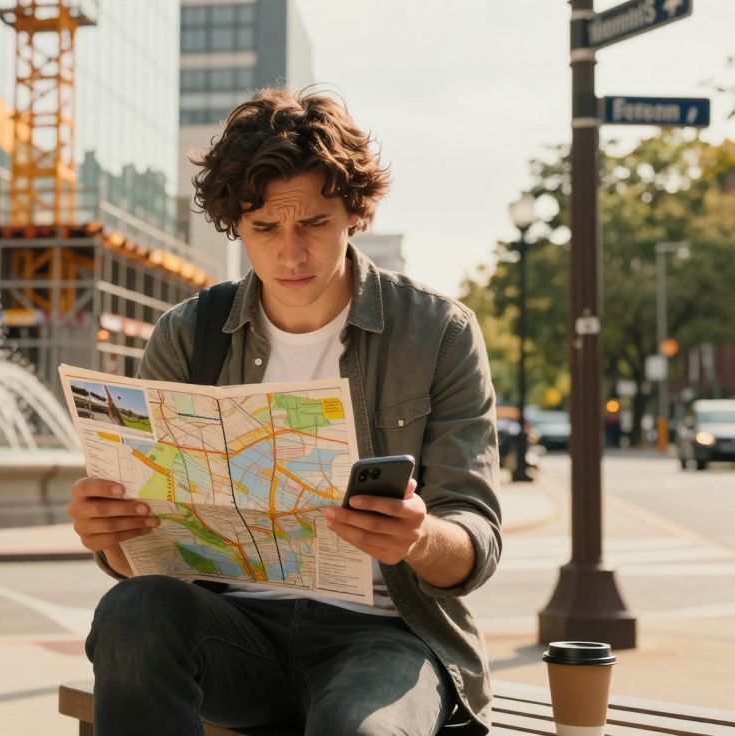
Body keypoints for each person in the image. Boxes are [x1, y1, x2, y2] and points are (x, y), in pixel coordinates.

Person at [67, 89, 502, 735]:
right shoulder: (188, 334)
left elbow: (476, 543)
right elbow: (148, 561)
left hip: (387, 638)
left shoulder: (438, 332)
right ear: (235, 226)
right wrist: (112, 532)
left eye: (314, 225)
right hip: (234, 637)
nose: (290, 255)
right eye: (265, 228)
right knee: (133, 610)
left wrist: (418, 537)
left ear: (355, 213)